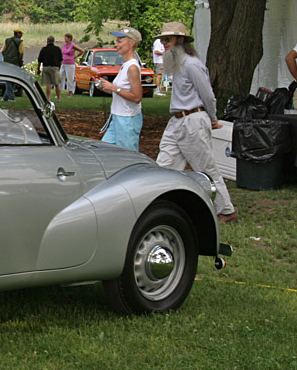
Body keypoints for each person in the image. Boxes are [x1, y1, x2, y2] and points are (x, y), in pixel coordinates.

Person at [154, 21, 237, 223]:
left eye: (168, 39)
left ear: (180, 40)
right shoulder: (178, 64)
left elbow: (208, 95)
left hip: (193, 120)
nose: (164, 43)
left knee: (206, 168)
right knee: (163, 165)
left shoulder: (192, 64)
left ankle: (226, 210)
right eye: (163, 39)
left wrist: (213, 118)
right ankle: (159, 205)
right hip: (177, 121)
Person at [95, 27, 143, 151]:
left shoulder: (132, 67)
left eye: (120, 41)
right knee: (104, 151)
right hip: (117, 117)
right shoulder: (125, 65)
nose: (116, 45)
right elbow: (117, 91)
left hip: (128, 119)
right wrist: (103, 86)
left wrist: (114, 88)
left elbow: (137, 97)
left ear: (132, 43)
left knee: (128, 157)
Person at [38, 35, 63, 101]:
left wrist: (38, 69)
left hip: (46, 67)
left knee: (48, 84)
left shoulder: (44, 49)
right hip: (54, 67)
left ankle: (48, 98)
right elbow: (60, 60)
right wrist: (59, 68)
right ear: (53, 41)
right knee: (57, 84)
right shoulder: (57, 49)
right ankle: (58, 98)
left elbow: (40, 60)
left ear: (47, 41)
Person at [1, 28, 24, 101]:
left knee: (9, 79)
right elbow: (21, 53)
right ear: (17, 33)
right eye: (21, 34)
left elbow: (3, 51)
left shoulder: (7, 40)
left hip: (7, 62)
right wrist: (20, 61)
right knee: (12, 79)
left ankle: (5, 98)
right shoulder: (20, 42)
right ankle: (11, 97)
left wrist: (6, 58)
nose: (21, 35)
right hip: (15, 63)